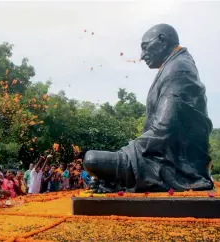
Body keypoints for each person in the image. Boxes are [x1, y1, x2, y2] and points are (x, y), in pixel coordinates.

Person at [83, 23, 213, 192]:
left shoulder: (179, 69)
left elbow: (164, 129)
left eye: (145, 47)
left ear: (162, 41)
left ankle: (122, 179)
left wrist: (127, 154)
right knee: (98, 162)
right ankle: (117, 180)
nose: (142, 55)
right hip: (162, 156)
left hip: (174, 166)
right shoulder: (175, 65)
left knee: (92, 159)